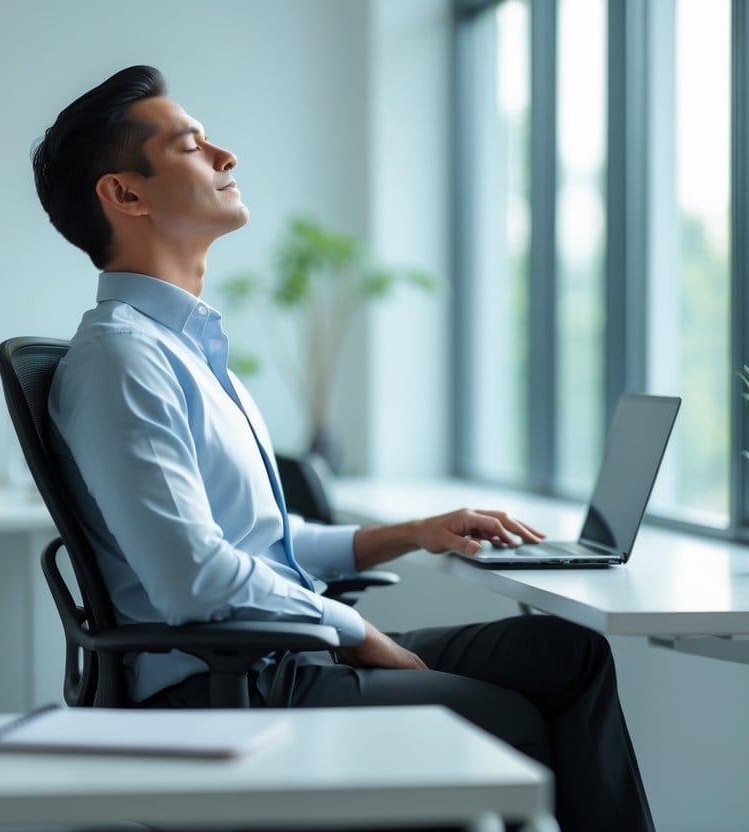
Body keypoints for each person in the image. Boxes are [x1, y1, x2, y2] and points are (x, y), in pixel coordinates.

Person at [32, 65, 655, 832]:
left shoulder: (186, 348)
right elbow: (191, 579)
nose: (226, 157)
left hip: (278, 657)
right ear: (125, 195)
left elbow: (261, 547)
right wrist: (358, 634)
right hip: (224, 689)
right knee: (510, 725)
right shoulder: (123, 361)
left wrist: (411, 533)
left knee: (566, 657)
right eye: (193, 146)